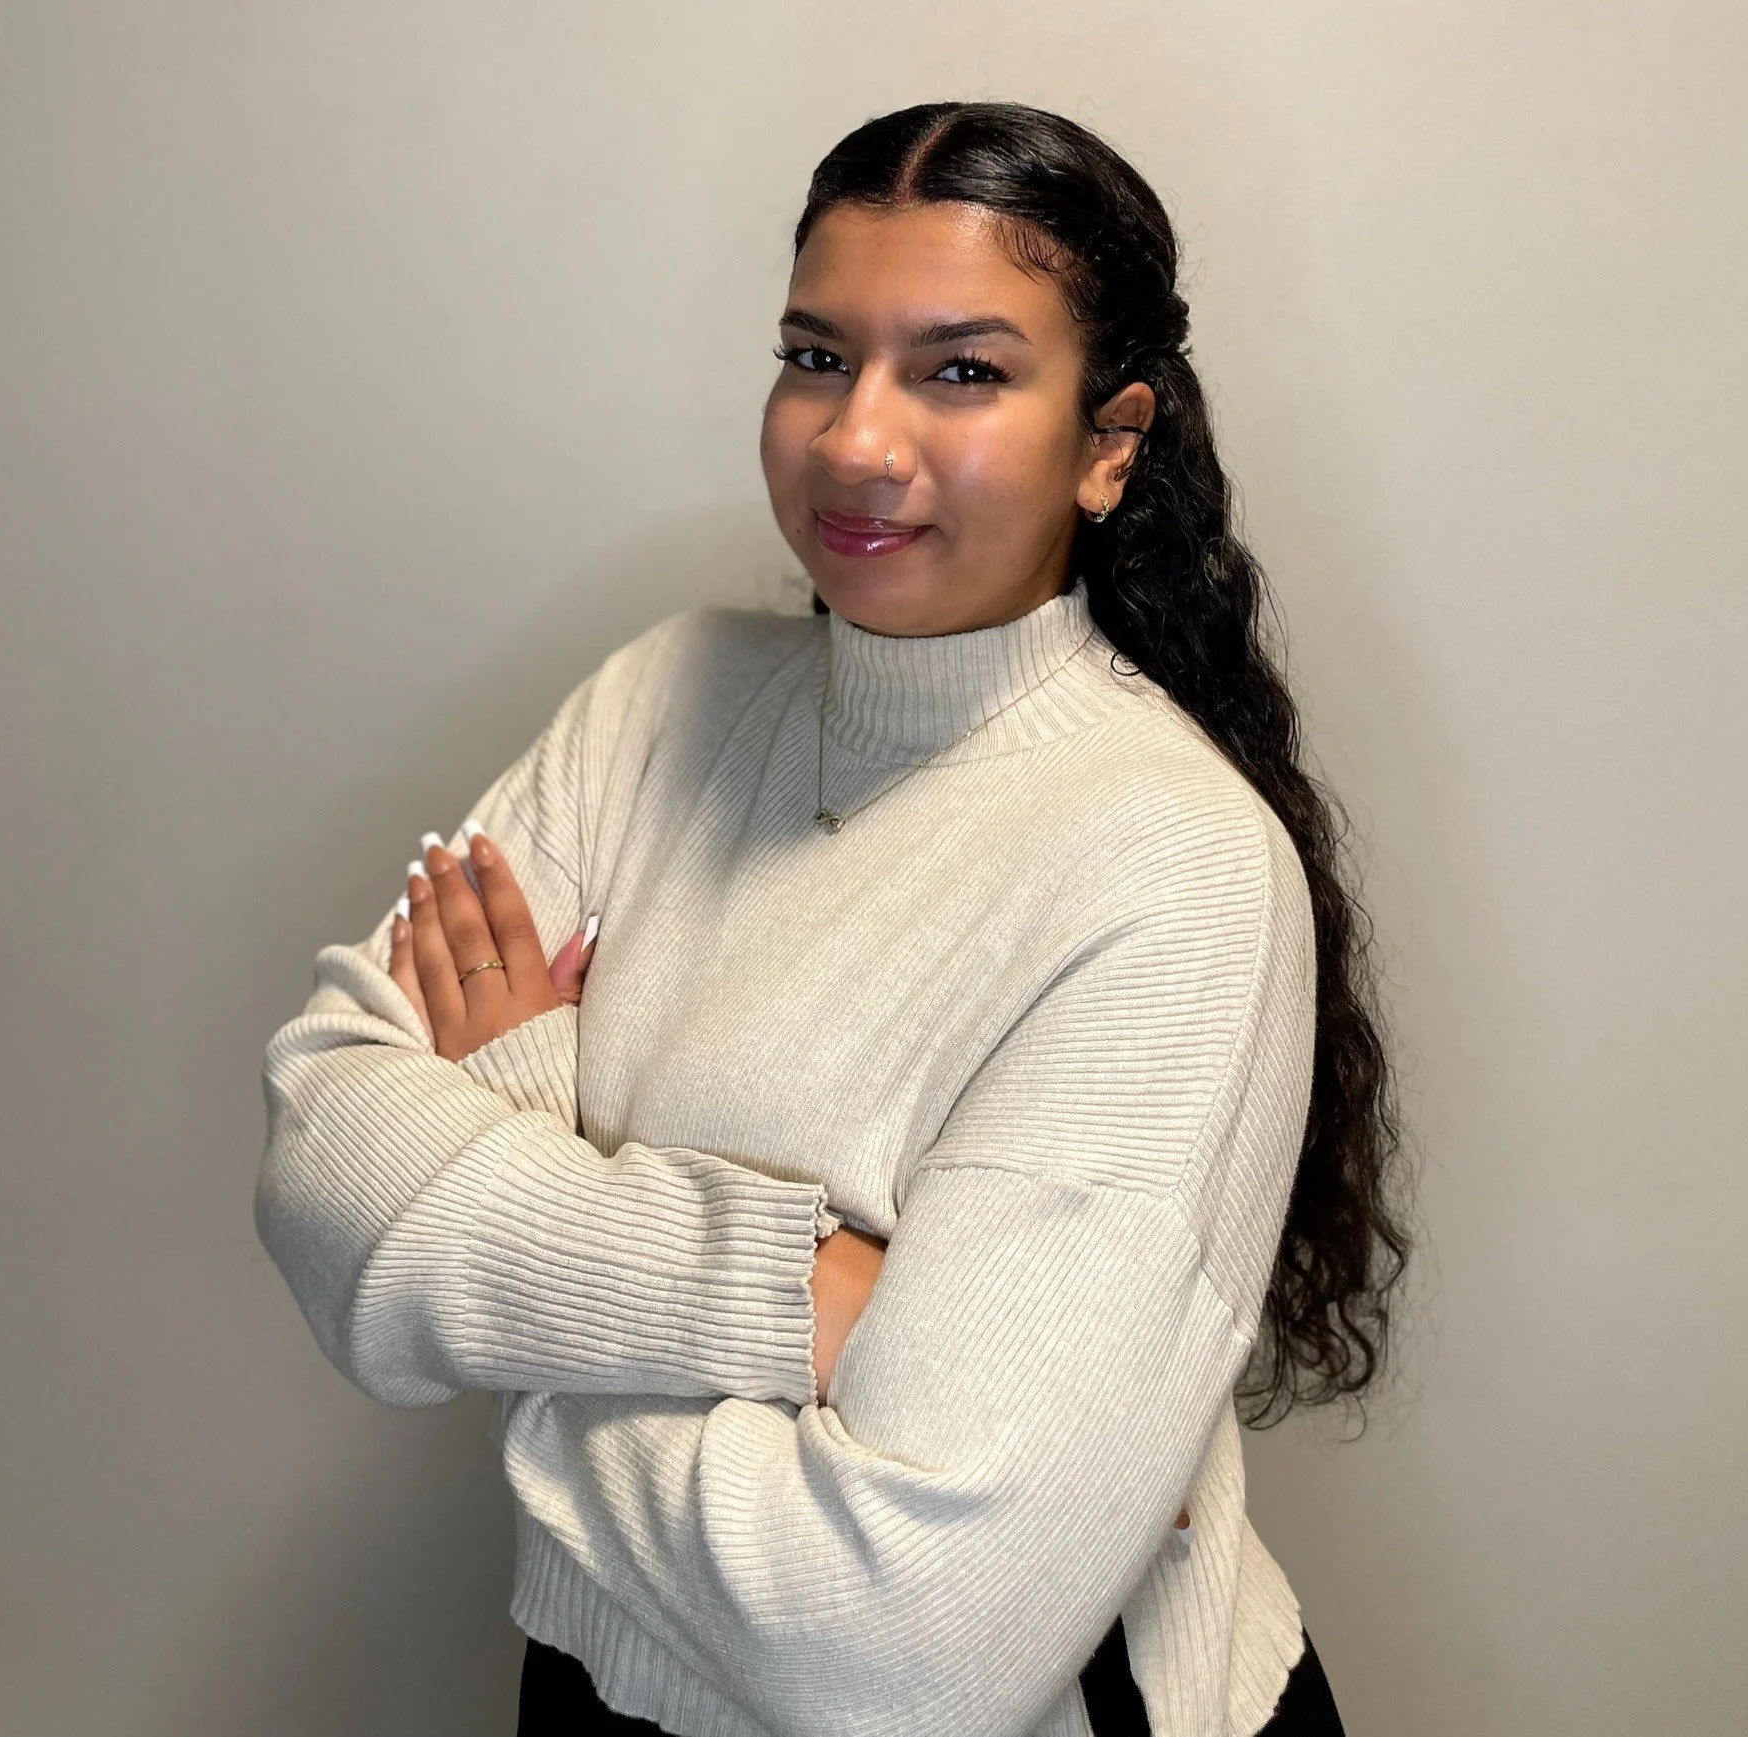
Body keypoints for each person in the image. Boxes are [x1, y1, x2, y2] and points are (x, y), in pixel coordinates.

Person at [256, 100, 1407, 1737]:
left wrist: (516, 1257)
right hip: (599, 1696)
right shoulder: (665, 696)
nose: (856, 441)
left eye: (961, 370)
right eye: (815, 355)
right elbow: (321, 1172)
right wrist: (794, 1298)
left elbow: (894, 1650)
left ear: (1110, 438)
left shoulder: (1173, 870)